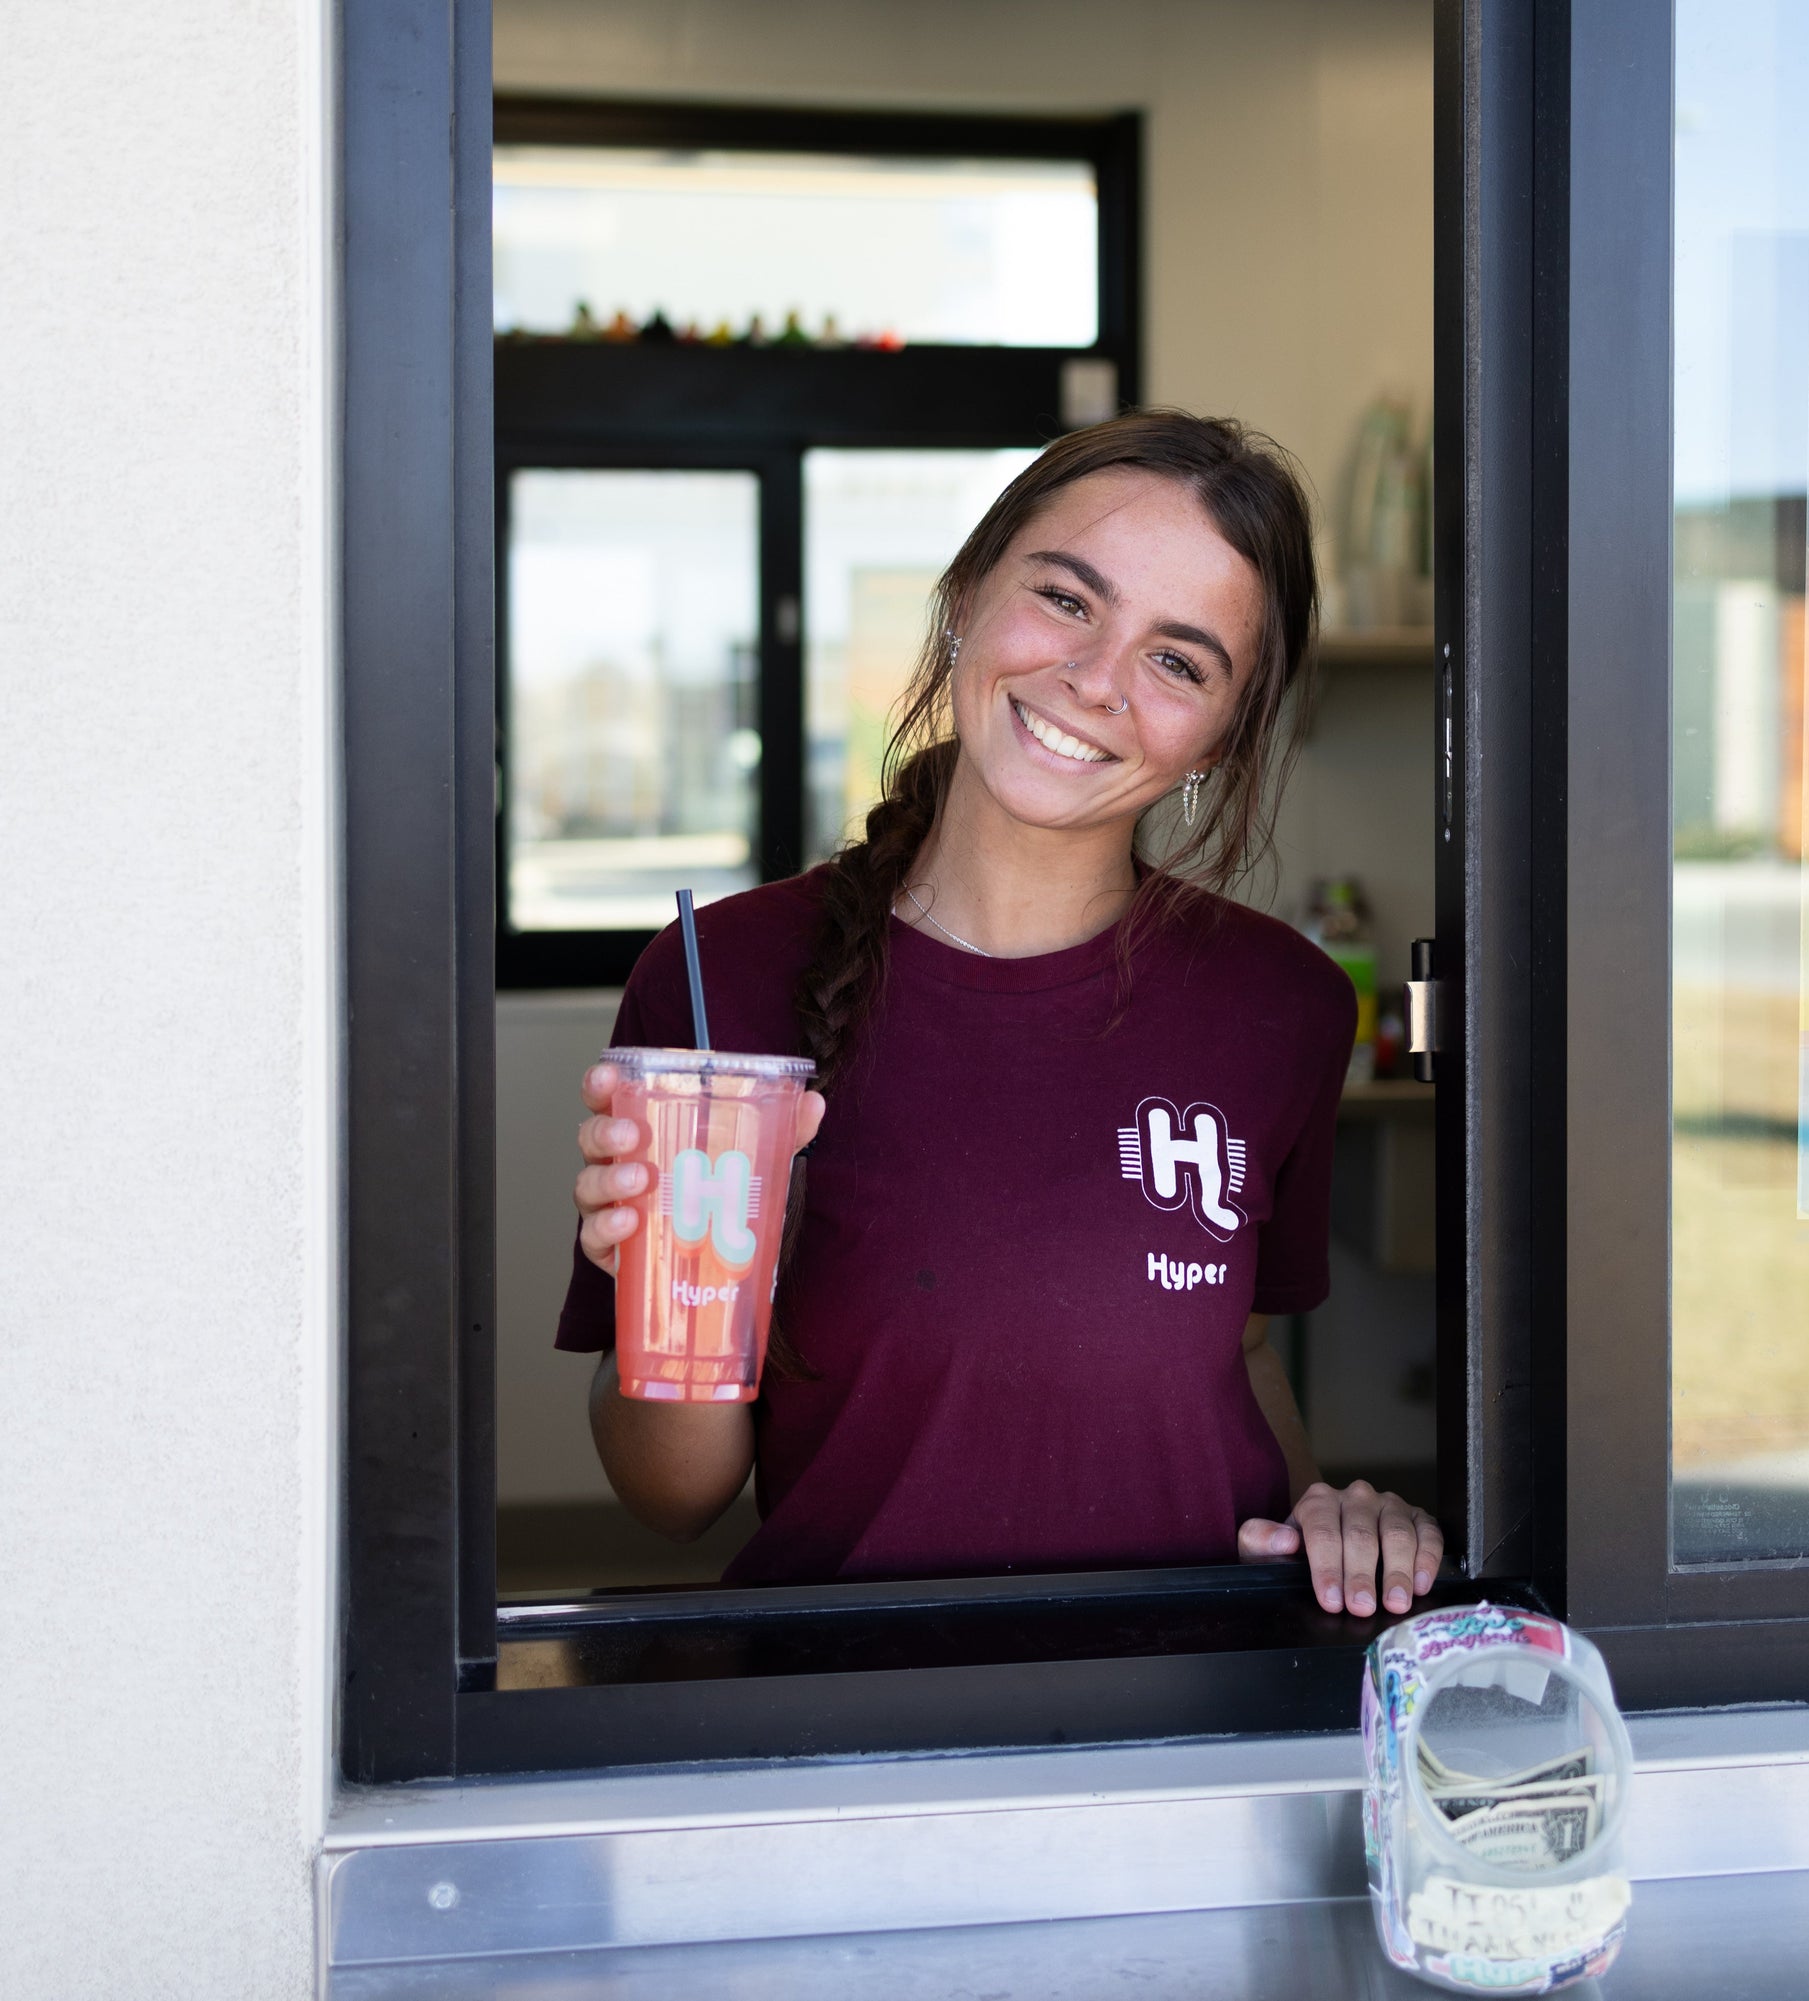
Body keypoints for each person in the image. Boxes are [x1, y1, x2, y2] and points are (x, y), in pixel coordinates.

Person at [557, 410, 1444, 1619]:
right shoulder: (721, 979)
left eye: (1179, 662)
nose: (1096, 680)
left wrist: (1332, 1522)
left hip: (1192, 1690)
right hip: (862, 1698)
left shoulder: (1280, 1003)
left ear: (1221, 735)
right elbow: (673, 1501)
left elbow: (1236, 1352)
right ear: (965, 596)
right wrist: (668, 1276)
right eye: (1067, 600)